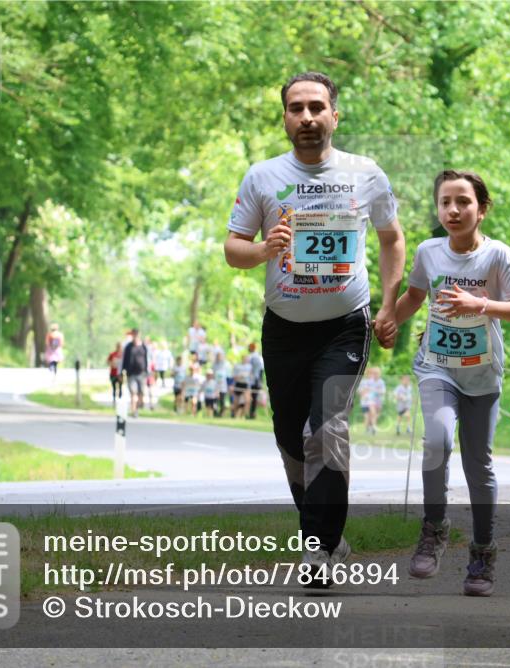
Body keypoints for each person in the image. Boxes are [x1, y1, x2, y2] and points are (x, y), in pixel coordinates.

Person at [224, 71, 404, 585]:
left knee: (325, 430)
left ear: (334, 116)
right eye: (296, 108)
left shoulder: (366, 174)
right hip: (284, 326)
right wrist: (265, 249)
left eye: (316, 107)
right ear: (285, 118)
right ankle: (326, 536)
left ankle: (319, 551)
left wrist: (389, 306)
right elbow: (233, 249)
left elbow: (392, 239)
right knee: (291, 440)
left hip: (345, 325)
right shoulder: (262, 176)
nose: (306, 117)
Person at [393, 169, 510, 596]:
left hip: (482, 373)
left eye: (463, 202)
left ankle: (483, 553)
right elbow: (415, 296)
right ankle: (433, 529)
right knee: (436, 441)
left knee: (478, 463)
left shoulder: (498, 256)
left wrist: (480, 304)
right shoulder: (428, 252)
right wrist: (387, 320)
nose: (453, 210)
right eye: (445, 202)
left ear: (482, 209)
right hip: (436, 365)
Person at [121, 329, 149, 418]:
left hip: (141, 373)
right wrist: (122, 372)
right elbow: (124, 360)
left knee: (141, 392)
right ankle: (134, 411)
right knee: (133, 392)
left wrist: (147, 371)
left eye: (137, 334)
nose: (135, 336)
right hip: (131, 373)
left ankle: (138, 407)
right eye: (134, 335)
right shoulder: (128, 347)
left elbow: (146, 359)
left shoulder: (143, 346)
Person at [360, 367, 386, 436]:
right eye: (372, 373)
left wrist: (375, 391)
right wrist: (365, 392)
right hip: (368, 401)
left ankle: (371, 428)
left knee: (374, 415)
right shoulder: (366, 381)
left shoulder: (380, 382)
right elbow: (362, 391)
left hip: (377, 401)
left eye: (375, 373)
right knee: (369, 416)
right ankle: (371, 428)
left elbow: (382, 391)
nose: (373, 375)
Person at [248, 342, 265, 419]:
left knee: (254, 397)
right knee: (253, 397)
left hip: (255, 380)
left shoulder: (254, 357)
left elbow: (258, 370)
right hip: (255, 379)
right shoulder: (256, 356)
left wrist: (258, 380)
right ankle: (252, 413)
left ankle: (252, 413)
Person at [212, 350, 230, 418]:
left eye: (220, 356)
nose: (219, 357)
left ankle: (221, 413)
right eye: (218, 356)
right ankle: (215, 412)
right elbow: (213, 374)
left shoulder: (225, 364)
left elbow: (228, 375)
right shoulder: (214, 364)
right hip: (216, 385)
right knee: (215, 399)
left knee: (222, 400)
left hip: (223, 386)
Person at [106, 342, 123, 406]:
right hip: (113, 373)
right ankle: (114, 400)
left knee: (120, 386)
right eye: (118, 346)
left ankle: (120, 398)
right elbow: (108, 361)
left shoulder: (122, 355)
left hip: (120, 373)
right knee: (114, 387)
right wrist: (112, 364)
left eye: (120, 347)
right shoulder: (112, 354)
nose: (118, 348)